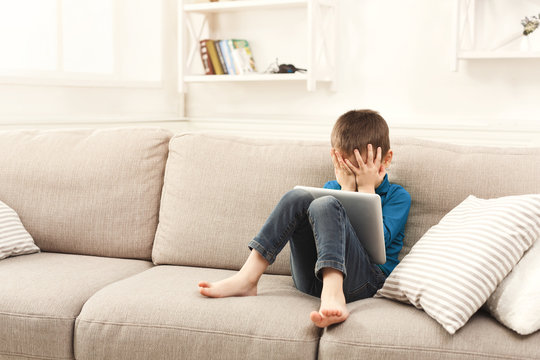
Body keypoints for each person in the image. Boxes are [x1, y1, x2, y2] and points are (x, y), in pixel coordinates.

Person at [198, 109, 411, 328]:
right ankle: (247, 277)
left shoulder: (398, 197)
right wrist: (346, 187)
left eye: (361, 169)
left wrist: (366, 188)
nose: (355, 176)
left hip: (364, 283)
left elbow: (376, 249)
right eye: (347, 169)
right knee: (301, 196)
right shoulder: (331, 189)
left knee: (326, 203)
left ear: (386, 159)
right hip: (311, 281)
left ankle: (334, 292)